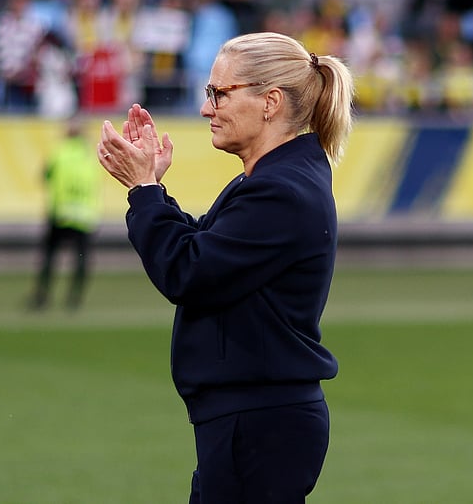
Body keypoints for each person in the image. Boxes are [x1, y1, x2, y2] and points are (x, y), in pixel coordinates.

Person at [96, 32, 354, 503]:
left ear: (270, 102)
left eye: (219, 92)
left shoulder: (280, 189)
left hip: (259, 422)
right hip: (256, 420)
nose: (206, 107)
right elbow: (208, 249)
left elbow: (187, 271)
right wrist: (152, 187)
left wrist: (143, 192)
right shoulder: (276, 178)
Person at [32, 118, 102, 311]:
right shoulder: (89, 156)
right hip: (84, 215)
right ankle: (74, 299)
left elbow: (45, 175)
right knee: (81, 259)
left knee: (48, 257)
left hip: (61, 213)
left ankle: (42, 296)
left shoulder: (59, 152)